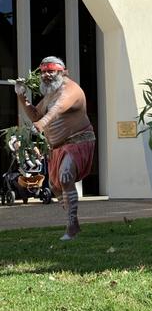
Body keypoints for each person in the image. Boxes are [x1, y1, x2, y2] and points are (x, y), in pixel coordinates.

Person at [14, 56, 95, 241]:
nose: (46, 75)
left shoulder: (70, 90)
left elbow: (57, 109)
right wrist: (21, 96)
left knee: (66, 176)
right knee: (54, 186)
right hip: (57, 146)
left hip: (78, 140)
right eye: (43, 72)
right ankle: (73, 220)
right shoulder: (50, 94)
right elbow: (35, 114)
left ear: (62, 72)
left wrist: (41, 124)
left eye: (51, 71)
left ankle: (71, 227)